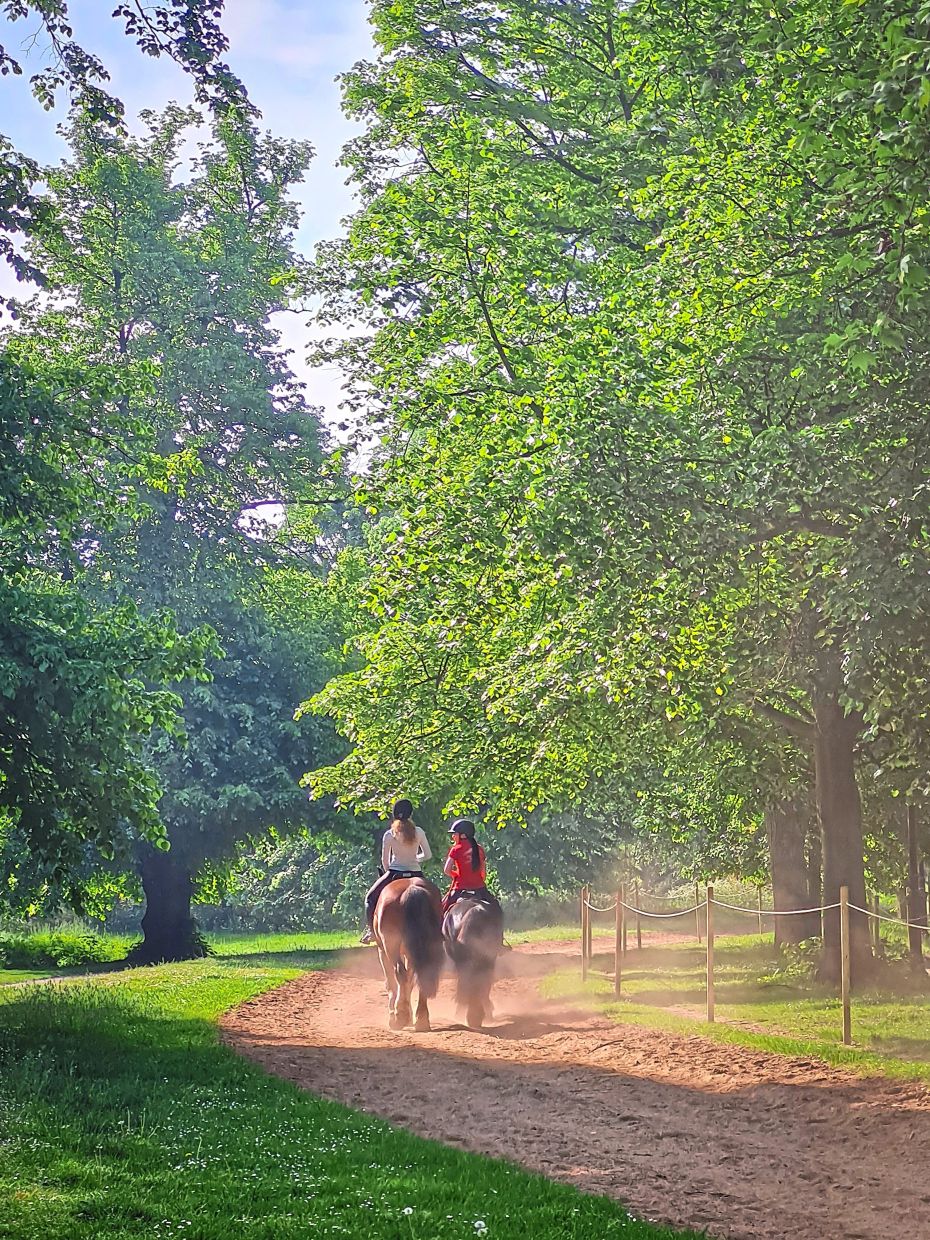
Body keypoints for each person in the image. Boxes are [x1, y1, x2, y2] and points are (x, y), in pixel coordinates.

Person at [360, 799, 432, 944]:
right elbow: (428, 855)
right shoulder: (419, 832)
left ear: (394, 815)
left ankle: (372, 932)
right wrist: (415, 859)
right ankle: (438, 930)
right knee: (433, 899)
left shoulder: (390, 834)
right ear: (410, 814)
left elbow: (385, 860)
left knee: (370, 898)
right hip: (416, 873)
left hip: (395, 872)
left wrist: (389, 871)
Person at [441, 818, 498, 915]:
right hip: (479, 888)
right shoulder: (479, 849)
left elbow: (447, 870)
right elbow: (483, 874)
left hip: (460, 888)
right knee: (495, 908)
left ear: (463, 835)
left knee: (442, 911)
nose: (453, 836)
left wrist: (456, 875)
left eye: (455, 834)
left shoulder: (455, 849)